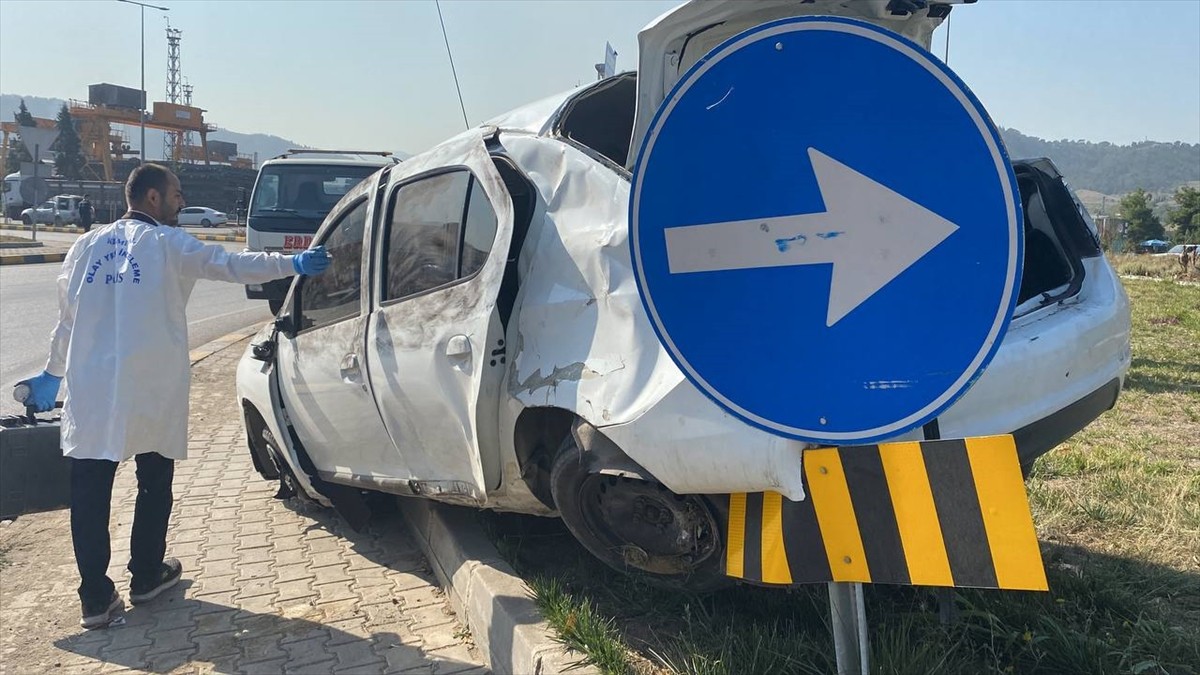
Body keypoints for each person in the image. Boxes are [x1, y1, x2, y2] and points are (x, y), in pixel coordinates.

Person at [22, 163, 333, 630]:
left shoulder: (85, 246)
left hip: (92, 390)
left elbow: (67, 319)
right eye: (176, 193)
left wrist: (53, 373)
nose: (181, 201)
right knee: (153, 481)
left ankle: (94, 598)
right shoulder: (168, 245)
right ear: (152, 198)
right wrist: (293, 263)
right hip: (151, 388)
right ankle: (146, 575)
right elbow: (230, 264)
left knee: (89, 492)